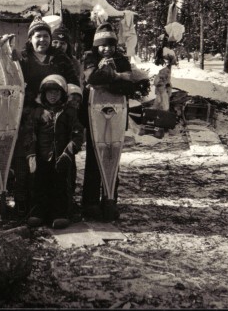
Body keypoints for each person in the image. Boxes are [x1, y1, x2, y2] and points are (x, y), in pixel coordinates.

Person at [81, 22, 150, 221]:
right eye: (103, 45)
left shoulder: (121, 59)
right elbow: (92, 77)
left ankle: (110, 199)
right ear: (97, 45)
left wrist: (111, 80)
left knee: (112, 157)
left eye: (110, 45)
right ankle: (90, 203)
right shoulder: (89, 57)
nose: (107, 49)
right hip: (94, 116)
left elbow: (129, 87)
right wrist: (117, 78)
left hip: (117, 115)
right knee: (94, 160)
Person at [13, 15, 80, 216]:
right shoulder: (23, 59)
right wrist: (35, 109)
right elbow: (18, 87)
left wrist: (69, 104)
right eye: (37, 36)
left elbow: (73, 82)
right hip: (31, 114)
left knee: (62, 159)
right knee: (31, 159)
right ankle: (28, 203)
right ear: (30, 38)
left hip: (58, 112)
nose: (42, 40)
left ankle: (63, 204)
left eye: (45, 36)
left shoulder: (60, 57)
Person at [25, 75, 84, 230]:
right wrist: (31, 154)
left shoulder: (69, 112)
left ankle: (60, 214)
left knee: (60, 185)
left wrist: (69, 152)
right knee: (40, 184)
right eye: (49, 92)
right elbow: (30, 134)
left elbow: (77, 134)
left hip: (62, 157)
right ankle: (38, 213)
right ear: (43, 94)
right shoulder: (37, 112)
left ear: (62, 94)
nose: (53, 96)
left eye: (56, 93)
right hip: (42, 156)